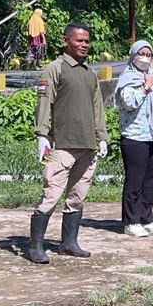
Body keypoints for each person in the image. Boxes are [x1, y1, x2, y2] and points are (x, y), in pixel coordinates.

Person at [29, 22, 108, 264]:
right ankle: (35, 247)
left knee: (77, 196)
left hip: (88, 146)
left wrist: (102, 137)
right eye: (79, 40)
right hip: (61, 145)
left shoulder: (90, 73)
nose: (84, 45)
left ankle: (69, 243)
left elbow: (98, 108)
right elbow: (44, 102)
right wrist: (42, 134)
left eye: (87, 41)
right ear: (66, 41)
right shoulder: (55, 69)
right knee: (51, 195)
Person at [113, 39, 153, 237]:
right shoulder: (127, 78)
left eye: (148, 55)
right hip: (135, 136)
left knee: (150, 180)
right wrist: (145, 87)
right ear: (133, 55)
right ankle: (131, 221)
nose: (145, 58)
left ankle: (147, 218)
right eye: (141, 54)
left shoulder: (152, 76)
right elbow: (129, 103)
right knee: (135, 180)